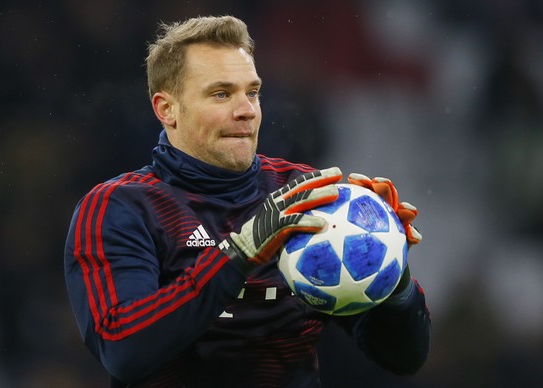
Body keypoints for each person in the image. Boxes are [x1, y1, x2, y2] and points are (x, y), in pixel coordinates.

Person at [64, 15, 430, 387]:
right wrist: (239, 253)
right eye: (221, 94)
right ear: (166, 109)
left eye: (252, 92)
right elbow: (124, 349)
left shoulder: (301, 193)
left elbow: (402, 358)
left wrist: (391, 275)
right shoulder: (120, 208)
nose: (247, 110)